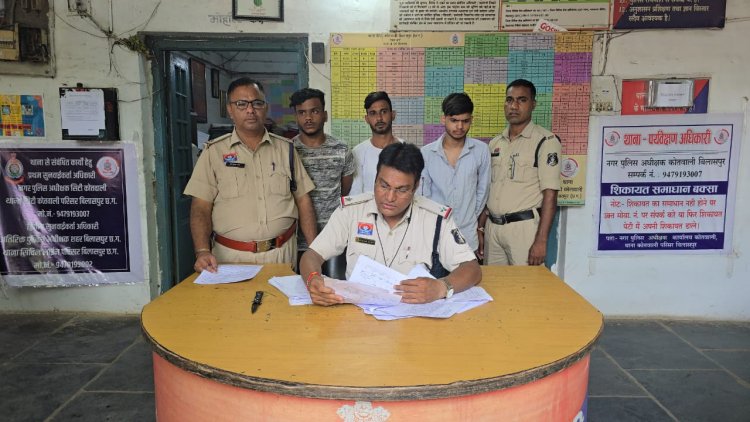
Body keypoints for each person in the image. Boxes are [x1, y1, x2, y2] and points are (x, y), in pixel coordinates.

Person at [300, 143, 482, 306]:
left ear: (416, 186)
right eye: (384, 185)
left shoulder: (436, 219)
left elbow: (472, 268)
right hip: (357, 316)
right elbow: (312, 256)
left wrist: (442, 287)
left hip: (414, 317)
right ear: (375, 178)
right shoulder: (351, 211)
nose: (389, 197)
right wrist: (313, 280)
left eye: (401, 190)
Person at [184, 77, 317, 273]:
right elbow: (201, 207)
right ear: (230, 110)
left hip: (281, 255)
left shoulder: (286, 150)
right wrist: (202, 251)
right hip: (230, 258)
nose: (250, 110)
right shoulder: (214, 152)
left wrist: (314, 250)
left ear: (266, 107)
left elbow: (303, 200)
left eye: (257, 103)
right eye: (241, 104)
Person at [480, 79, 561, 266]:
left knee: (527, 283)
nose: (514, 106)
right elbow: (488, 190)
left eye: (522, 100)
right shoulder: (495, 143)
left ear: (533, 104)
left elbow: (550, 194)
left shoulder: (546, 141)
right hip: (493, 228)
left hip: (523, 230)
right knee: (495, 283)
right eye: (509, 100)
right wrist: (481, 228)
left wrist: (541, 241)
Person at [289, 88, 355, 279]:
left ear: (325, 115)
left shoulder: (341, 149)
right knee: (302, 291)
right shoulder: (288, 150)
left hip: (335, 239)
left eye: (314, 111)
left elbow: (345, 190)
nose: (308, 118)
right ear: (296, 117)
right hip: (298, 242)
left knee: (335, 289)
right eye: (302, 112)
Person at [420, 92, 490, 258]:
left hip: (468, 235)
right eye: (454, 120)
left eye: (465, 121)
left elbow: (483, 191)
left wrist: (469, 217)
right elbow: (423, 196)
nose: (460, 126)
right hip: (434, 235)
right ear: (443, 119)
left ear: (471, 120)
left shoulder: (481, 151)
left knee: (468, 275)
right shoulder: (427, 153)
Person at [349, 91, 406, 195]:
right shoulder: (357, 153)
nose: (379, 118)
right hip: (367, 206)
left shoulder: (407, 150)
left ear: (393, 115)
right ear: (367, 119)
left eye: (383, 111)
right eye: (373, 113)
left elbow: (412, 191)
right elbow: (355, 195)